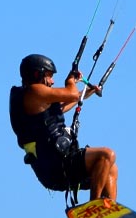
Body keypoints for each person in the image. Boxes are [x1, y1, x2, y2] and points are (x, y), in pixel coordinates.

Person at [8, 53, 118, 202]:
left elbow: (63, 104)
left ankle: (107, 208)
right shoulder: (33, 91)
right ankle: (94, 205)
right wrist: (70, 81)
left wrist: (84, 93)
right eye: (49, 76)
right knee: (106, 155)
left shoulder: (36, 100)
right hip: (55, 165)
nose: (52, 81)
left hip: (59, 165)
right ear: (37, 74)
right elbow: (71, 94)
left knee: (110, 168)